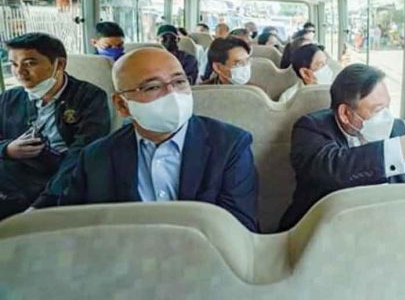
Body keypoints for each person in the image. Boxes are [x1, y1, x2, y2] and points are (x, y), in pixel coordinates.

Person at [59, 48, 258, 231]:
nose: (172, 94)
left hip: (205, 261)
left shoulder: (229, 145)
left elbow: (239, 228)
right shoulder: (96, 157)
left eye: (179, 82)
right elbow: (79, 228)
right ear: (122, 105)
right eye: (152, 87)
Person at [279, 64, 405, 230]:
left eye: (388, 107)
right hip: (323, 234)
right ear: (345, 114)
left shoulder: (399, 130)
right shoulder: (310, 129)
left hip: (390, 233)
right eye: (377, 110)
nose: (386, 117)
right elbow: (335, 170)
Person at [0, 33, 110, 219]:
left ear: (59, 65)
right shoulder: (9, 98)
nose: (20, 72)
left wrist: (44, 203)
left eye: (30, 63)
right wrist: (7, 149)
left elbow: (84, 151)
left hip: (64, 177)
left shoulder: (90, 97)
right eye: (14, 64)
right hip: (17, 175)